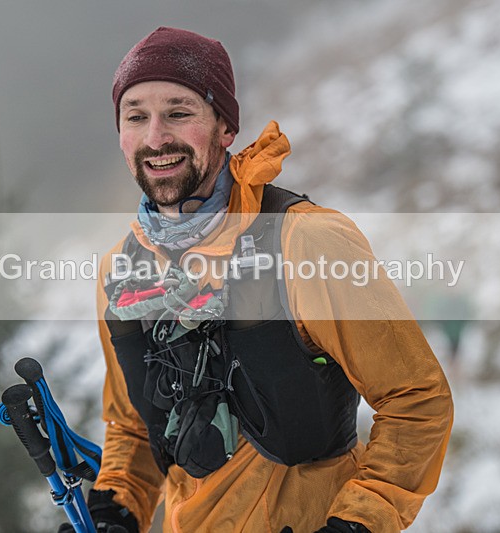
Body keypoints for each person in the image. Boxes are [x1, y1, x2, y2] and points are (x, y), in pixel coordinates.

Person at [64, 27, 453, 533]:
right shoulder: (124, 271)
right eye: (136, 116)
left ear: (225, 126)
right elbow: (135, 428)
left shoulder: (305, 241)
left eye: (179, 113)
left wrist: (358, 522)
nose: (156, 137)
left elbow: (415, 400)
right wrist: (114, 508)